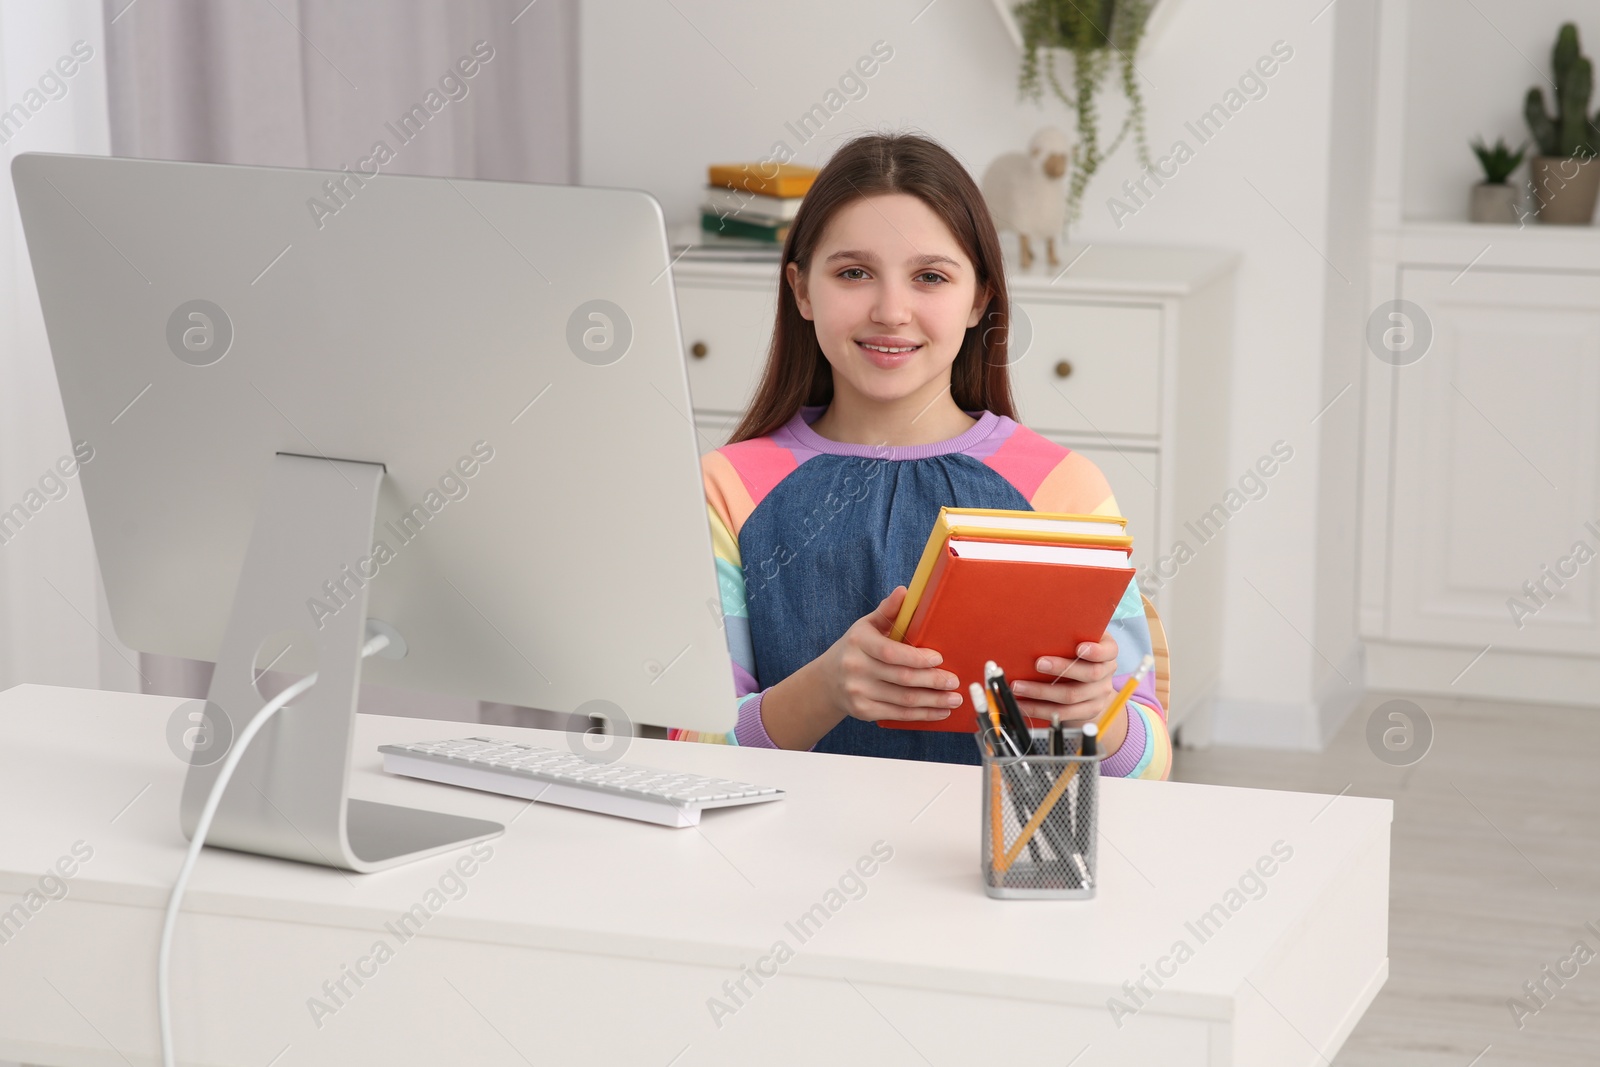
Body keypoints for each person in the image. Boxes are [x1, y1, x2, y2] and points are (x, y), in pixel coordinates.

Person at [671, 131, 1169, 779]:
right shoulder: (728, 485)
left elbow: (1150, 763)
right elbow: (687, 750)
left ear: (980, 299)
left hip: (984, 870)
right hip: (780, 867)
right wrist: (823, 690)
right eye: (853, 273)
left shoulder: (1063, 488)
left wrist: (1098, 714)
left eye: (930, 277)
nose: (891, 310)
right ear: (800, 290)